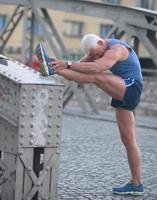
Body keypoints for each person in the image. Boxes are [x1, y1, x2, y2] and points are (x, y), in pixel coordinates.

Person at [35, 33, 144, 196]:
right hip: (122, 89)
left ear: (101, 42)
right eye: (93, 55)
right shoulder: (96, 49)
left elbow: (96, 68)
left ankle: (51, 68)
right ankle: (136, 185)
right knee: (128, 140)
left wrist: (64, 65)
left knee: (96, 75)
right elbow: (78, 69)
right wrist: (63, 66)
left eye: (97, 54)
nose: (96, 57)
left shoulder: (117, 49)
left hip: (131, 87)